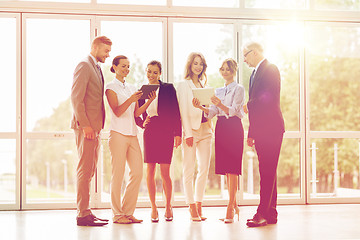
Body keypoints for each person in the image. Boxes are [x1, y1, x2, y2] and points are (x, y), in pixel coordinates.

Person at [105, 55, 156, 224]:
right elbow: (118, 111)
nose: (127, 69)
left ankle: (127, 212)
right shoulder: (110, 87)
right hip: (118, 134)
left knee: (137, 172)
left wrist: (149, 101)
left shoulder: (132, 87)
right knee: (118, 175)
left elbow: (135, 113)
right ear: (115, 67)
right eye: (123, 66)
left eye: (128, 66)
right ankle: (117, 214)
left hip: (132, 134)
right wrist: (131, 99)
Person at [193, 58, 245, 224]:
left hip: (234, 127)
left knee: (233, 168)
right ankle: (234, 204)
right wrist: (201, 107)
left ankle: (230, 206)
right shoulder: (218, 90)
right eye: (222, 69)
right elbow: (213, 112)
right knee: (227, 169)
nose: (224, 72)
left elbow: (235, 110)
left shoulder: (239, 89)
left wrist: (220, 104)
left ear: (234, 71)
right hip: (221, 127)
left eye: (227, 69)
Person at [242, 42, 285, 227]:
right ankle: (271, 213)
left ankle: (262, 214)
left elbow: (270, 96)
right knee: (268, 172)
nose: (244, 59)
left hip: (272, 129)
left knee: (266, 172)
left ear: (256, 52)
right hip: (261, 131)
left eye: (246, 55)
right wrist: (251, 133)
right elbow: (255, 111)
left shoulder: (271, 69)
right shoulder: (254, 74)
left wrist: (249, 104)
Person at [70, 36, 112, 226]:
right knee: (85, 170)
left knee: (90, 169)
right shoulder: (84, 65)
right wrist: (85, 125)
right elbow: (76, 98)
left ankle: (86, 211)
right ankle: (82, 214)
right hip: (86, 127)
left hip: (95, 127)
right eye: (105, 51)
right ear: (95, 48)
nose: (108, 55)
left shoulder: (96, 67)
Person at [137, 60, 182, 222]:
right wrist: (142, 123)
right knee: (149, 171)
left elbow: (176, 111)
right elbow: (137, 112)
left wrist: (178, 133)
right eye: (149, 71)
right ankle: (153, 207)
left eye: (155, 72)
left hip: (166, 131)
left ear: (160, 73)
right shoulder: (142, 90)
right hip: (150, 131)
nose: (151, 75)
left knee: (165, 172)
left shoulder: (168, 88)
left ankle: (168, 206)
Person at [176, 52, 212, 221]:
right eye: (195, 63)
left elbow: (208, 108)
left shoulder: (204, 84)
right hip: (191, 130)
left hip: (206, 129)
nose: (198, 66)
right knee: (189, 169)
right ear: (190, 65)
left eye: (201, 64)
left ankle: (199, 203)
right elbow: (183, 109)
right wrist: (188, 133)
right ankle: (191, 206)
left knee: (204, 169)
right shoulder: (184, 85)